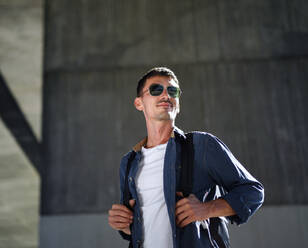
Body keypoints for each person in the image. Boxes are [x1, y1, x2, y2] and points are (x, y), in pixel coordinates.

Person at [108, 67, 264, 248]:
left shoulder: (202, 145)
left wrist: (206, 209)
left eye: (172, 91)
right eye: (156, 90)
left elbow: (253, 191)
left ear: (178, 103)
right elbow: (138, 227)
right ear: (139, 103)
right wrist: (124, 224)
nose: (166, 95)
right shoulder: (129, 163)